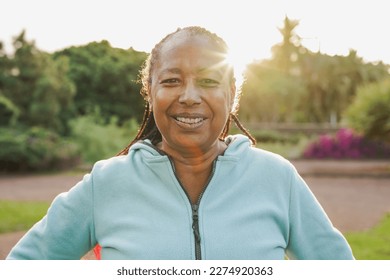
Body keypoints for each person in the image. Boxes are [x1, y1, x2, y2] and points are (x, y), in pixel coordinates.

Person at [7, 26, 354, 260]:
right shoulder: (106, 184)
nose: (189, 96)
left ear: (232, 96)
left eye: (208, 81)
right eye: (172, 80)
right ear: (151, 93)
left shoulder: (277, 179)